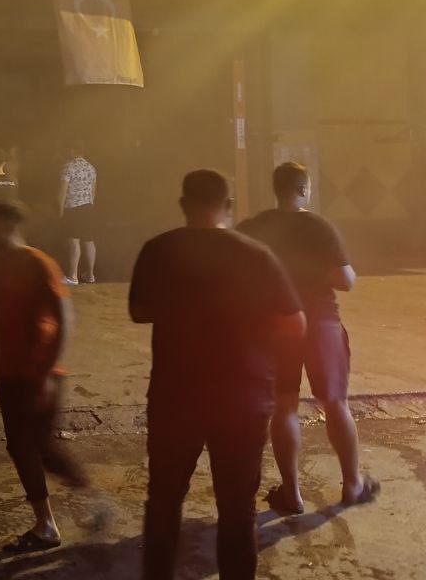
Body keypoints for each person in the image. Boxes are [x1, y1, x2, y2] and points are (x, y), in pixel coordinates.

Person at [129, 169, 305, 580]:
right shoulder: (256, 254)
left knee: (164, 502)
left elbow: (138, 311)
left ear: (183, 205)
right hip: (244, 399)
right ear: (228, 206)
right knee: (237, 508)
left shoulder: (158, 249)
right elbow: (295, 324)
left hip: (176, 397)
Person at [238, 162, 379, 513]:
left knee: (284, 406)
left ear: (276, 189)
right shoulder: (319, 227)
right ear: (304, 189)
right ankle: (352, 485)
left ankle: (292, 494)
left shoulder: (255, 227)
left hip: (277, 327)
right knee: (335, 404)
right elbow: (345, 280)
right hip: (321, 324)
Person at [0, 199, 87, 551]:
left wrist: (47, 373)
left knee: (39, 447)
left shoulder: (38, 262)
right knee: (23, 447)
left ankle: (79, 506)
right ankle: (48, 523)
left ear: (6, 225)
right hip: (9, 370)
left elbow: (64, 318)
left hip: (39, 373)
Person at [57, 146, 97, 285]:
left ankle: (73, 276)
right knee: (89, 241)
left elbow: (62, 192)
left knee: (74, 241)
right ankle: (90, 275)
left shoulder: (68, 167)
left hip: (73, 207)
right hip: (88, 207)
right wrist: (90, 204)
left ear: (72, 151)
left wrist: (60, 211)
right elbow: (93, 191)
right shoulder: (91, 168)